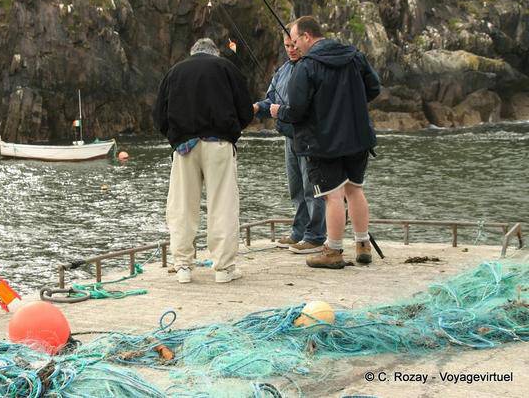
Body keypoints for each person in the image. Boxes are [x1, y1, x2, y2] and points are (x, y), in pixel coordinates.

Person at [270, 16, 381, 269]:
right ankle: (363, 245)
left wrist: (278, 111)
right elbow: (373, 88)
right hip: (358, 136)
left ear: (307, 36)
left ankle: (333, 249)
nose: (294, 47)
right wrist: (349, 104)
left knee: (333, 196)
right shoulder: (354, 56)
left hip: (324, 143)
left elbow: (297, 110)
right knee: (355, 189)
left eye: (296, 41)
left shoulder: (306, 66)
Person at [153, 38, 254, 283]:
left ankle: (183, 266)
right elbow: (246, 111)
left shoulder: (175, 72)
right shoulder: (227, 69)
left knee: (182, 207)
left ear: (192, 52)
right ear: (215, 53)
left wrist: (176, 138)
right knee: (223, 205)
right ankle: (223, 268)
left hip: (185, 147)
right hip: (219, 144)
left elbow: (159, 116)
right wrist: (231, 133)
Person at [253, 27, 326, 253]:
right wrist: (255, 108)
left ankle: (315, 235)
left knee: (311, 188)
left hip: (310, 138)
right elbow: (270, 102)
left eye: (294, 45)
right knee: (296, 188)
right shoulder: (283, 71)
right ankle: (299, 232)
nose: (291, 50)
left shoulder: (312, 68)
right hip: (289, 138)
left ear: (303, 41)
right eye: (287, 46)